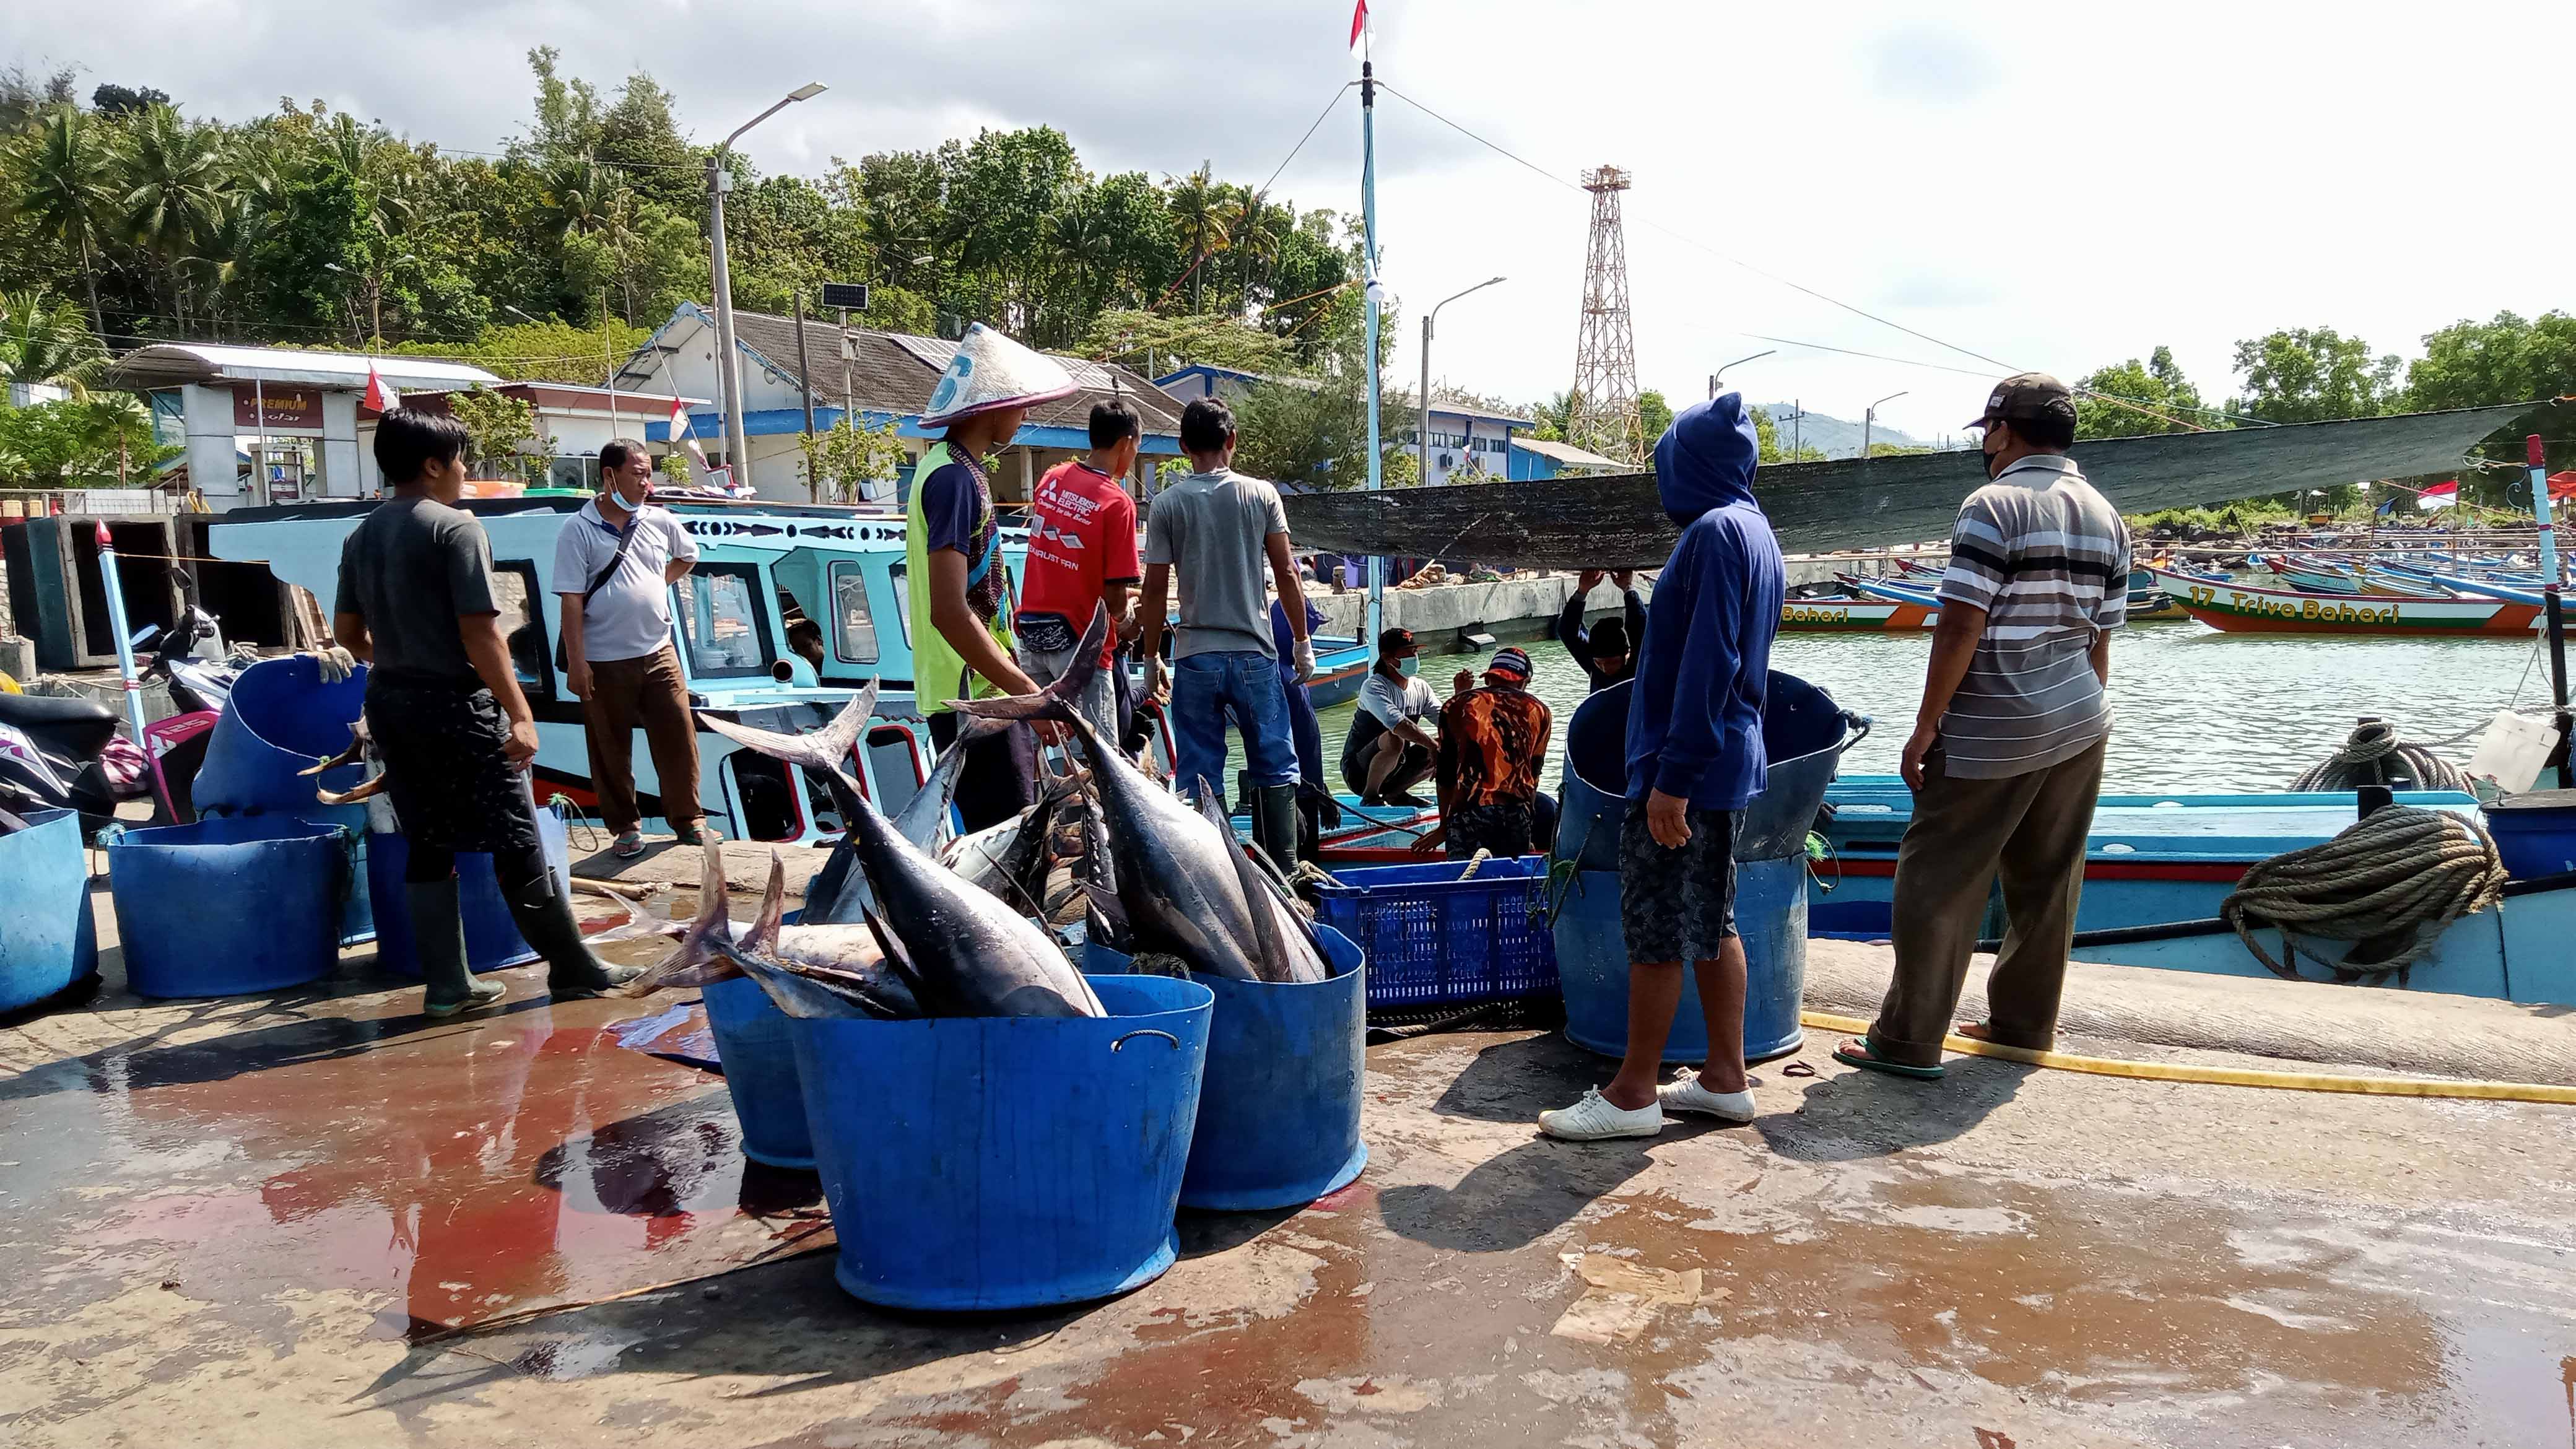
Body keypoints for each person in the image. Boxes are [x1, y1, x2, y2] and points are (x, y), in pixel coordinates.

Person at [1837, 374, 2128, 1081]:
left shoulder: (1992, 504)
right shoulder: (2106, 513)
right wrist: (2079, 719)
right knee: (2047, 881)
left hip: (1992, 726)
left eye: (1988, 431)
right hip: (2080, 718)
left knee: (1936, 879)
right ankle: (2023, 1027)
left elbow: (1961, 623)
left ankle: (1907, 1041)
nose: (1986, 444)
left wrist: (1925, 725)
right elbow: (2101, 640)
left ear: (2003, 430)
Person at [333, 408, 638, 1016]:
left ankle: (448, 985)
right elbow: (481, 633)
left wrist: (401, 657)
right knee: (515, 836)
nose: (465, 472)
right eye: (461, 461)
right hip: (456, 705)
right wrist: (519, 713)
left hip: (391, 702)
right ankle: (574, 969)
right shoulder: (456, 528)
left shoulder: (360, 536)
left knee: (428, 840)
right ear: (433, 465)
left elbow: (348, 635)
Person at [1539, 394, 1783, 1140]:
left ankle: (1632, 1094)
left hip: (1690, 768)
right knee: (1711, 920)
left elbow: (1709, 662)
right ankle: (1724, 1079)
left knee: (1655, 927)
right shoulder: (1754, 530)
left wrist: (1671, 778)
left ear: (1688, 466)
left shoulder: (1713, 533)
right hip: (1725, 760)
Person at [905, 324, 1077, 832]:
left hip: (983, 688)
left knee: (1020, 829)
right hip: (974, 694)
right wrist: (1029, 695)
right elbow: (949, 610)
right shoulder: (954, 479)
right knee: (1010, 838)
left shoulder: (950, 467)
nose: (1025, 416)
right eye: (1020, 404)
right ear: (992, 407)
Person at [1138, 396, 1315, 871]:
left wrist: (1151, 657)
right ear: (1232, 440)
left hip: (1195, 657)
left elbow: (1153, 590)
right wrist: (1302, 642)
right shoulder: (1262, 495)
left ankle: (1216, 878)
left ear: (1183, 447)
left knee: (1199, 772)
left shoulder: (1167, 505)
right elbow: (1287, 573)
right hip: (1255, 655)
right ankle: (1283, 878)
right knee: (1274, 764)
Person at [551, 438, 705, 859]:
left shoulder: (660, 520)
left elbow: (687, 556)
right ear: (609, 476)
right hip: (603, 659)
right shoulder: (578, 529)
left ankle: (689, 820)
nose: (646, 483)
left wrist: (655, 584)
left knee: (678, 735)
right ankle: (625, 828)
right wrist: (578, 663)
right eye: (638, 474)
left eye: (649, 474)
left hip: (659, 651)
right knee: (610, 748)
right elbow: (571, 600)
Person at [1015, 398, 1142, 741]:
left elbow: (1066, 558)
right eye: (1136, 448)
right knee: (1100, 752)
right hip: (1080, 646)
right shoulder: (1118, 503)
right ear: (1126, 443)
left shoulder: (1051, 478)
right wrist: (1128, 616)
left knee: (1041, 750)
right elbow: (1114, 599)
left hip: (1033, 634)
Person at [1435, 646, 1553, 861]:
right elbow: (1533, 776)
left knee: (1466, 876)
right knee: (1510, 878)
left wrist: (1444, 827)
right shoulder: (1539, 710)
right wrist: (1527, 825)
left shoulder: (1455, 705)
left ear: (1489, 678)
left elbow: (1445, 777)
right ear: (1523, 682)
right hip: (1516, 814)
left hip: (1467, 812)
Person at [1271, 590, 1338, 861]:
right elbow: (1272, 744)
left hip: (1308, 790)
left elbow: (1306, 740)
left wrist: (1323, 791)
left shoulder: (1291, 672)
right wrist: (1288, 803)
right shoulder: (1277, 676)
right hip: (1294, 793)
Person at [1338, 629, 1440, 806]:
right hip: (1358, 770)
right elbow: (1399, 725)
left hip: (1398, 766)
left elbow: (1447, 721)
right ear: (1387, 658)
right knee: (1395, 739)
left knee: (1448, 741)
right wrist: (1432, 746)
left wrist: (1461, 693)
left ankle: (1395, 793)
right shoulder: (1374, 686)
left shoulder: (1421, 688)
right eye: (1407, 653)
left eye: (1415, 652)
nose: (1414, 657)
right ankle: (1370, 796)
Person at [1560, 569, 1647, 693]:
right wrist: (1582, 591)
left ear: (1626, 653)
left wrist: (1628, 590)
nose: (1606, 669)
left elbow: (1640, 629)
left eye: (1612, 662)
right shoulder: (1595, 668)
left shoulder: (1639, 666)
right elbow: (1567, 632)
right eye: (1599, 663)